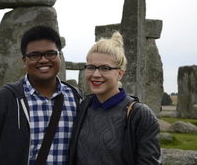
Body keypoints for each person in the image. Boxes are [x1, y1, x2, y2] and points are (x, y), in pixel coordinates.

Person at [0, 26, 83, 165]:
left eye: (50, 53)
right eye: (35, 55)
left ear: (60, 56)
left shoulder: (76, 99)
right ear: (24, 60)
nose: (43, 60)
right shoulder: (3, 100)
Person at [68, 31, 161, 165]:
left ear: (120, 74)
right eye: (91, 67)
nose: (96, 74)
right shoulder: (83, 107)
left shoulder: (140, 115)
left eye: (105, 68)